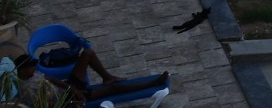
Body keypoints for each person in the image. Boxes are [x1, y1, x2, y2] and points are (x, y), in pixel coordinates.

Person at [6, 50, 168, 106]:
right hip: (68, 100)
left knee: (87, 54)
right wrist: (75, 98)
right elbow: (49, 105)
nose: (35, 68)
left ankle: (107, 77)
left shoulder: (31, 74)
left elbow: (51, 79)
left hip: (68, 88)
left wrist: (71, 87)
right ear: (22, 69)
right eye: (31, 66)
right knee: (114, 89)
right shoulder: (27, 90)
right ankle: (153, 83)